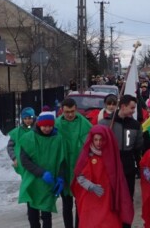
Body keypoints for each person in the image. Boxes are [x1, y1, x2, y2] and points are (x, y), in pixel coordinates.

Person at [71, 125, 134, 228]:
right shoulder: (87, 155)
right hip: (90, 198)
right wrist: (91, 186)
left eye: (101, 139)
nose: (98, 143)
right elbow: (79, 176)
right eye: (95, 139)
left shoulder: (112, 156)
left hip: (108, 198)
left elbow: (118, 179)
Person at [18, 112, 66, 228]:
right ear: (39, 125)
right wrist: (41, 172)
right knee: (33, 214)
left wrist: (60, 177)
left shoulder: (58, 139)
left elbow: (62, 159)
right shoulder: (29, 138)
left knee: (46, 213)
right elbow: (25, 161)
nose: (47, 129)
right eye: (44, 126)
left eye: (50, 126)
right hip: (33, 180)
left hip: (49, 182)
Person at [99, 94, 143, 219]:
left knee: (127, 199)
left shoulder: (135, 125)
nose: (133, 111)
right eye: (132, 108)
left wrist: (138, 165)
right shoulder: (106, 123)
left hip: (128, 167)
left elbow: (138, 147)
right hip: (110, 167)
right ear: (123, 107)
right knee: (111, 199)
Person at [56, 98, 92, 228]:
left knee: (80, 204)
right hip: (64, 170)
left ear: (76, 109)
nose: (70, 114)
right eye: (67, 112)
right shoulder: (56, 125)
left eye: (72, 111)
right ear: (62, 110)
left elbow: (92, 145)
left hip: (81, 170)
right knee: (67, 204)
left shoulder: (85, 124)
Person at [8, 107, 36, 176]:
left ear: (34, 118)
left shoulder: (38, 129)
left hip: (36, 162)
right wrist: (14, 158)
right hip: (23, 162)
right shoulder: (17, 132)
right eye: (25, 118)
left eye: (30, 118)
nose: (27, 121)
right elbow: (10, 146)